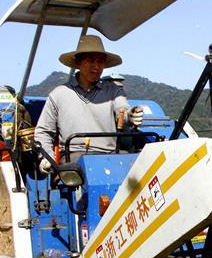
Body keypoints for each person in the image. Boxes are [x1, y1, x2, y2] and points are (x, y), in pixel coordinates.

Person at [34, 35, 144, 167]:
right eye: (90, 60)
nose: (96, 66)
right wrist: (47, 157)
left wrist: (130, 115)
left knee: (138, 166)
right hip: (73, 156)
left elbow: (123, 109)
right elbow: (43, 132)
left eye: (100, 61)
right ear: (78, 63)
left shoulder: (114, 91)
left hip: (109, 155)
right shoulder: (59, 94)